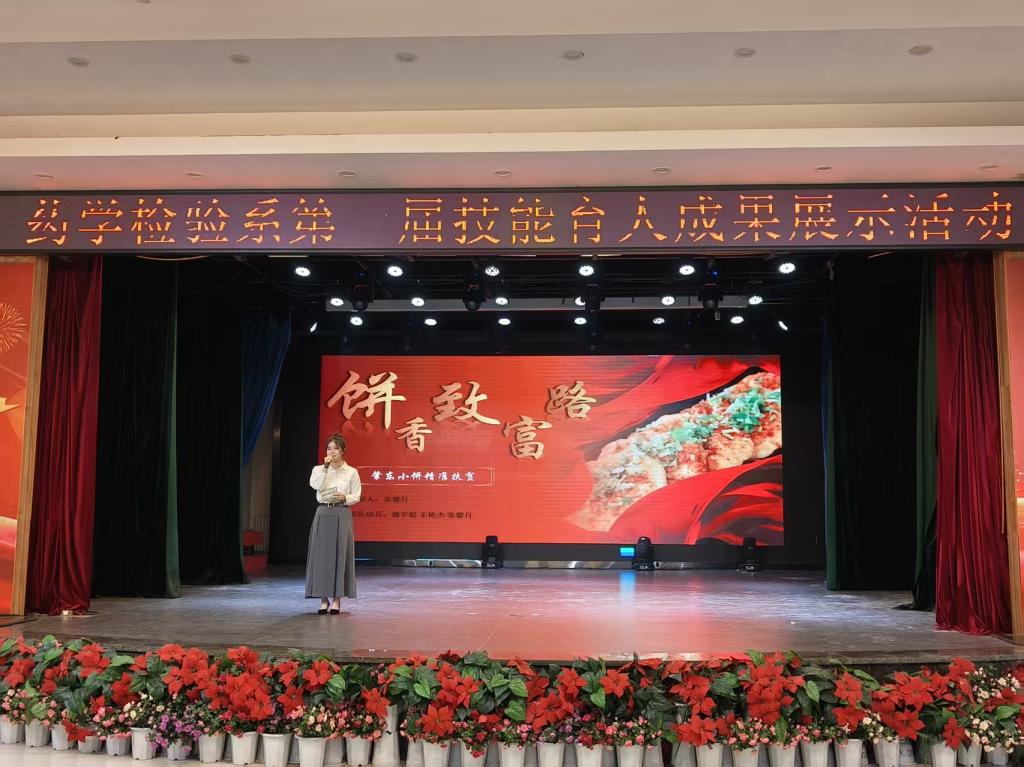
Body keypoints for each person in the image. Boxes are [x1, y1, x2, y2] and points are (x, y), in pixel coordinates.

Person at [306, 433, 361, 614]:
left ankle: (337, 599)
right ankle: (323, 600)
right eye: (329, 448)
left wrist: (345, 497)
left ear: (343, 451)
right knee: (321, 556)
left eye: (336, 448)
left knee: (340, 554)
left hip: (341, 513)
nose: (332, 451)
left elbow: (357, 495)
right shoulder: (318, 469)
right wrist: (325, 467)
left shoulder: (351, 472)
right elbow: (315, 485)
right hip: (323, 512)